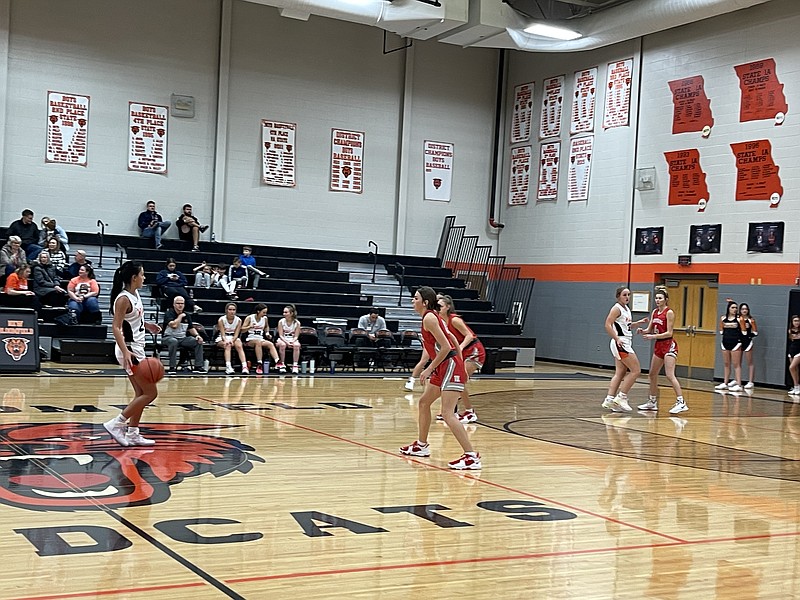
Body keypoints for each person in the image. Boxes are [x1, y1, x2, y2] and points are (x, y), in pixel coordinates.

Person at [400, 286, 481, 470]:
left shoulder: (429, 317)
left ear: (425, 302)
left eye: (416, 298)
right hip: (446, 365)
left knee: (447, 413)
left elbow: (445, 346)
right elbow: (451, 336)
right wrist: (459, 358)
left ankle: (471, 456)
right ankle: (421, 445)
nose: (413, 301)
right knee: (423, 403)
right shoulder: (432, 317)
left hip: (448, 364)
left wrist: (430, 369)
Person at [103, 260, 162, 447]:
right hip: (129, 349)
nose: (144, 278)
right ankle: (117, 423)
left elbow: (133, 320)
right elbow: (116, 327)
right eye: (142, 274)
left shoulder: (134, 294)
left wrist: (148, 325)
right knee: (151, 393)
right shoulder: (123, 299)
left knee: (140, 392)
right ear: (134, 277)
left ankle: (133, 433)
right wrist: (126, 351)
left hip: (136, 347)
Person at [636, 286, 687, 414]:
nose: (657, 300)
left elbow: (669, 333)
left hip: (669, 345)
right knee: (652, 374)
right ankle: (652, 402)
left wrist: (653, 336)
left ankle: (681, 402)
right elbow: (650, 329)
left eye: (660, 298)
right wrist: (643, 331)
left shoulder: (669, 312)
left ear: (666, 300)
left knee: (670, 375)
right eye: (656, 298)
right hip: (658, 345)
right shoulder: (654, 312)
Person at [438, 294, 486, 424]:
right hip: (461, 352)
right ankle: (450, 411)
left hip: (473, 350)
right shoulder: (440, 321)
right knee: (451, 379)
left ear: (448, 307)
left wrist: (459, 348)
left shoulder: (454, 320)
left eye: (440, 306)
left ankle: (470, 412)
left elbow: (469, 335)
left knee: (460, 379)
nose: (438, 308)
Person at [602, 286, 648, 412]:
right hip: (621, 343)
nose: (627, 297)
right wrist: (617, 338)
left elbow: (625, 325)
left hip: (624, 341)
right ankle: (622, 396)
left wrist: (638, 324)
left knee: (620, 373)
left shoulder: (626, 309)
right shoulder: (616, 308)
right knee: (636, 370)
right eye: (624, 295)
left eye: (629, 295)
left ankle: (610, 400)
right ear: (618, 296)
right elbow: (607, 324)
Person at [161, 296, 206, 375]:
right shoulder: (169, 313)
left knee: (198, 341)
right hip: (168, 338)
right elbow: (174, 325)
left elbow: (191, 328)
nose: (180, 305)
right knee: (173, 341)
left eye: (182, 303)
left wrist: (197, 335)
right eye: (178, 303)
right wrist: (180, 316)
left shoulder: (187, 315)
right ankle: (172, 367)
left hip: (182, 338)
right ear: (174, 304)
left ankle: (198, 366)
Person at [242, 303, 280, 375]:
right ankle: (259, 364)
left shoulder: (265, 319)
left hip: (260, 338)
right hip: (250, 339)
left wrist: (267, 333)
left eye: (266, 312)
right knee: (258, 342)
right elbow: (242, 329)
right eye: (264, 312)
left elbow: (266, 327)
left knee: (270, 344)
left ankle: (277, 362)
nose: (265, 314)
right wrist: (249, 327)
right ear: (258, 311)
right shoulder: (250, 318)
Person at [715, 300, 743, 392]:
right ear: (728, 309)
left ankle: (739, 384)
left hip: (736, 343)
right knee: (726, 364)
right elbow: (721, 330)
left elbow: (744, 332)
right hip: (725, 342)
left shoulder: (739, 319)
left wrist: (740, 342)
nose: (734, 309)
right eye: (733, 308)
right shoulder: (723, 318)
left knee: (736, 364)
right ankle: (725, 383)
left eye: (736, 308)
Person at [216, 302, 248, 375]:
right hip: (222, 337)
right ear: (226, 310)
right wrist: (226, 340)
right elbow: (222, 334)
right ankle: (228, 366)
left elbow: (237, 334)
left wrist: (232, 340)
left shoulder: (239, 320)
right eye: (230, 309)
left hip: (233, 337)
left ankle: (244, 366)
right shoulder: (221, 319)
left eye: (234, 310)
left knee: (239, 345)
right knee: (227, 345)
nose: (232, 311)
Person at [275, 304, 301, 374]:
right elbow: (280, 335)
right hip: (283, 339)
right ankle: (282, 364)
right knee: (283, 345)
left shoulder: (297, 323)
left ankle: (295, 365)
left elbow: (296, 336)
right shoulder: (281, 321)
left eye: (286, 312)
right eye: (284, 312)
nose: (284, 314)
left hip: (292, 339)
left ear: (291, 313)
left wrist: (292, 341)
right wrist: (287, 342)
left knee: (297, 345)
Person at [738, 303, 758, 389]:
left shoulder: (751, 320)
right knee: (737, 362)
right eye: (742, 309)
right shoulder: (738, 319)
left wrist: (749, 335)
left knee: (750, 362)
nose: (744, 310)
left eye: (746, 309)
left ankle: (750, 381)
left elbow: (755, 332)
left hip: (747, 342)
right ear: (740, 310)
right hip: (738, 342)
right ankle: (737, 380)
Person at [787, 316, 800, 395]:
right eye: (795, 321)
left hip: (799, 351)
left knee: (791, 367)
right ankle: (796, 386)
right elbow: (792, 339)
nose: (797, 322)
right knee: (795, 369)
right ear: (792, 322)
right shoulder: (790, 330)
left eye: (798, 321)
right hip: (792, 351)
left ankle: (797, 385)